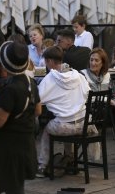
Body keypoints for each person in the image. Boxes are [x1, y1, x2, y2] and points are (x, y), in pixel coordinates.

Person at [0, 41, 42, 194]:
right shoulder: (30, 83)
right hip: (24, 145)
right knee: (15, 191)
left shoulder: (10, 90)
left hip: (7, 150)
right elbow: (38, 111)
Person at [36, 46, 90, 177]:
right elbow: (88, 93)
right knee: (66, 118)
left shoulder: (50, 78)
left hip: (64, 127)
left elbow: (38, 99)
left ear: (49, 61)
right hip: (84, 125)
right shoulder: (78, 75)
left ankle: (42, 166)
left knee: (47, 130)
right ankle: (69, 159)